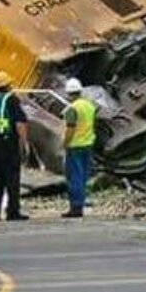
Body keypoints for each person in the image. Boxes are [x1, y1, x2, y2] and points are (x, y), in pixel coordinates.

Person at [0, 71, 29, 222]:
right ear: (9, 85)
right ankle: (13, 212)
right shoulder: (12, 100)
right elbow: (19, 124)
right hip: (7, 144)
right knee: (12, 180)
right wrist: (24, 144)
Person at [62, 78, 96, 218]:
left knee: (74, 177)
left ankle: (76, 207)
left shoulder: (72, 109)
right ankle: (80, 203)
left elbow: (70, 129)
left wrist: (64, 143)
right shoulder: (89, 105)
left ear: (68, 93)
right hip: (88, 144)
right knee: (83, 176)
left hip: (75, 146)